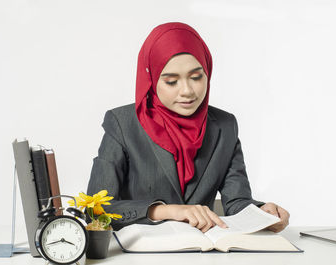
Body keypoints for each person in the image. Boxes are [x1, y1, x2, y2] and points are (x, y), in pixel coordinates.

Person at [87, 22, 289, 233]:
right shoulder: (122, 123)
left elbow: (237, 202)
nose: (187, 91)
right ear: (152, 79)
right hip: (139, 255)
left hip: (202, 253)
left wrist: (262, 213)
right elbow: (96, 208)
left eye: (196, 77)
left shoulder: (225, 126)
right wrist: (167, 211)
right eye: (172, 81)